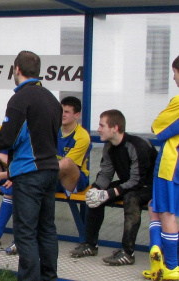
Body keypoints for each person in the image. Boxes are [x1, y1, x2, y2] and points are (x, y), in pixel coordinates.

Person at [0, 50, 62, 281]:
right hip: (51, 171)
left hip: (29, 174)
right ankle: (49, 277)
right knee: (47, 230)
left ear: (17, 69)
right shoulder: (52, 99)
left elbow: (6, 139)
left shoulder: (20, 99)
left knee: (25, 233)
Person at [69, 109, 157, 266]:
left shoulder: (137, 145)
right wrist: (96, 190)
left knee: (131, 198)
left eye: (102, 125)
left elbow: (136, 181)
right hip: (130, 183)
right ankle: (90, 245)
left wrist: (109, 193)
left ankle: (127, 253)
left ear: (115, 128)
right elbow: (105, 174)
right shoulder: (109, 146)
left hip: (149, 186)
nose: (98, 129)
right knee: (96, 196)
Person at [145, 55, 179, 280]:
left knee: (167, 212)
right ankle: (158, 257)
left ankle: (172, 267)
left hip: (171, 164)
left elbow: (158, 126)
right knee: (154, 206)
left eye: (175, 72)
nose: (174, 77)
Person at [57, 96, 91, 196]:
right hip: (52, 176)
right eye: (61, 111)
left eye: (67, 112)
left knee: (66, 163)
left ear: (77, 115)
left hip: (74, 180)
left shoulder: (82, 136)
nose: (62, 115)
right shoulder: (53, 129)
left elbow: (66, 167)